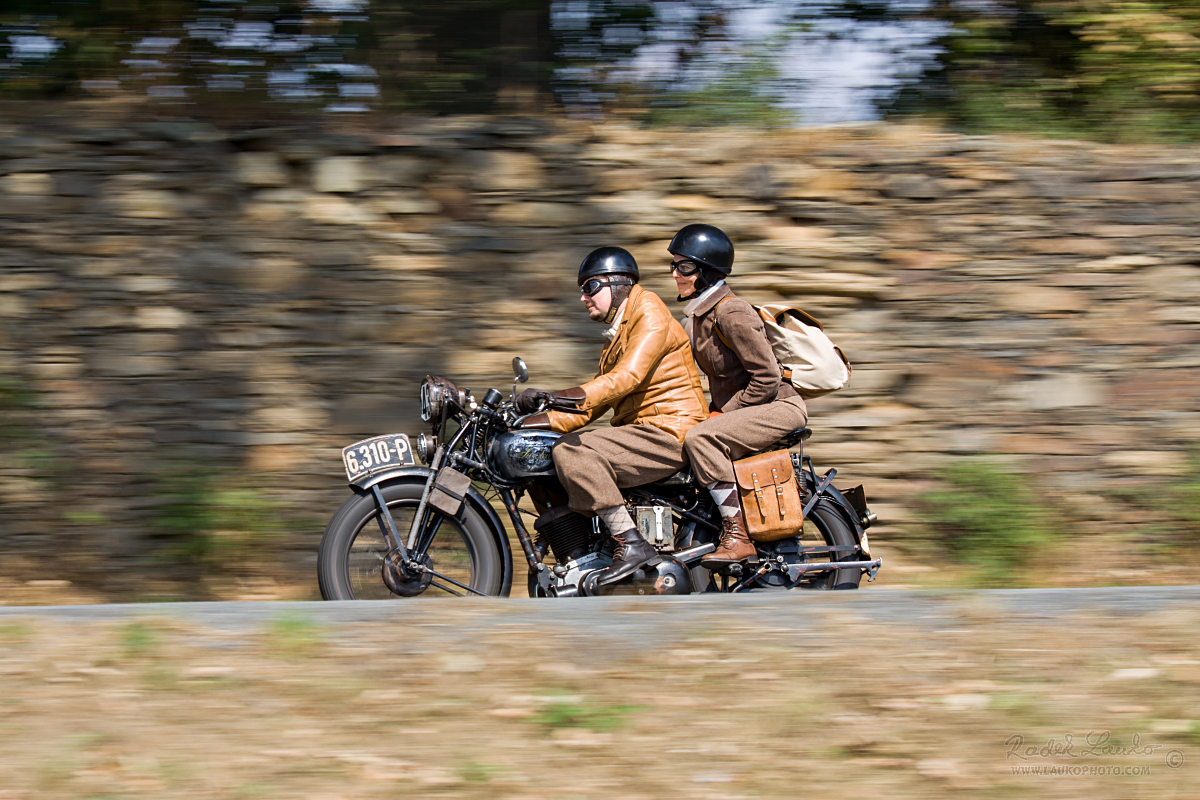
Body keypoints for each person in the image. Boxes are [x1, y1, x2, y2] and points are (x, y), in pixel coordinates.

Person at [515, 246, 708, 585]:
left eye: (589, 287)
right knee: (548, 446)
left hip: (669, 432)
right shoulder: (617, 336)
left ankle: (630, 544)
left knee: (572, 450)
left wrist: (556, 396)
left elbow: (626, 379)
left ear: (618, 283)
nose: (583, 298)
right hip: (644, 432)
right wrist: (529, 423)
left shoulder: (649, 311)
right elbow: (592, 406)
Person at [669, 224, 809, 568]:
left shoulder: (731, 311)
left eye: (684, 266)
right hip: (746, 410)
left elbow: (767, 378)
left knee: (702, 437)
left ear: (707, 270)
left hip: (778, 407)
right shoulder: (695, 318)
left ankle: (738, 536)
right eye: (673, 265)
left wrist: (721, 415)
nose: (675, 274)